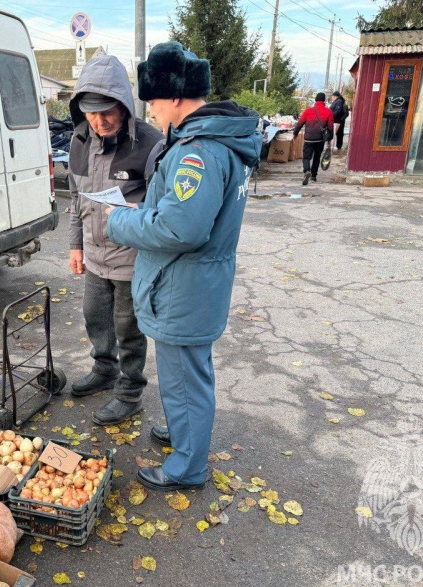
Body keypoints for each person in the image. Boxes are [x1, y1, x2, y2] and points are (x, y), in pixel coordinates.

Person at [105, 42, 261, 491]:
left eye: (152, 102)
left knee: (184, 381)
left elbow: (180, 229)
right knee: (186, 374)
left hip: (183, 286)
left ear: (174, 97)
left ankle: (187, 466)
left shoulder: (199, 151)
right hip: (193, 283)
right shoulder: (211, 141)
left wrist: (122, 221)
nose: (150, 112)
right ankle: (181, 431)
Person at [66, 56, 163, 426]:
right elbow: (77, 199)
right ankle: (104, 369)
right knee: (94, 317)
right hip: (94, 253)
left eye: (107, 112)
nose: (99, 121)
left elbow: (161, 208)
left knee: (129, 328)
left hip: (131, 258)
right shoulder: (79, 142)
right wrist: (76, 246)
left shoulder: (150, 144)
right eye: (91, 113)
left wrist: (133, 210)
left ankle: (130, 391)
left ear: (124, 105)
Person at [293, 92, 334, 185]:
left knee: (306, 157)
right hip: (320, 139)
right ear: (324, 100)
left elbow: (300, 123)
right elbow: (330, 127)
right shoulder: (328, 112)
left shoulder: (308, 111)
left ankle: (307, 171)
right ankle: (313, 176)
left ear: (315, 100)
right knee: (316, 157)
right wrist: (329, 138)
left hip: (308, 138)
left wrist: (295, 133)